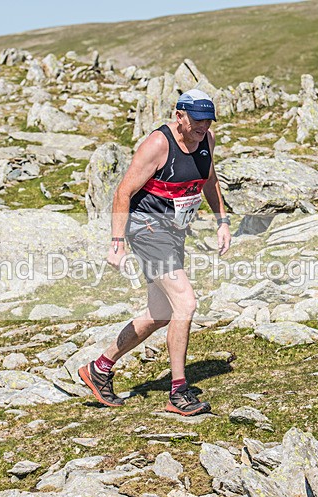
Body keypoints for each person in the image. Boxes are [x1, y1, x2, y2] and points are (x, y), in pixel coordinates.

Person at [78, 89, 231, 416]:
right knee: (186, 302)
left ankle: (99, 368)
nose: (203, 126)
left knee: (160, 314)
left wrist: (222, 220)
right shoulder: (158, 145)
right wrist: (117, 241)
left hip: (174, 232)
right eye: (197, 120)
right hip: (147, 231)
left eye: (208, 121)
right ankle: (178, 392)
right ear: (180, 116)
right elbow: (124, 191)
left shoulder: (207, 140)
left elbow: (209, 180)